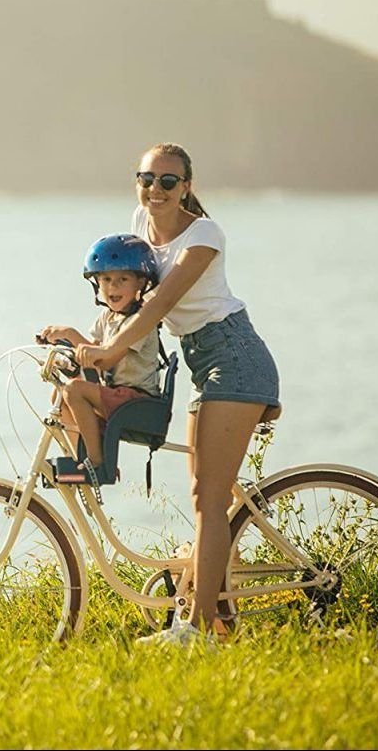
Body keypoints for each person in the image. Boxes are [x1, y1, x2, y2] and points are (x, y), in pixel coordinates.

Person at [75, 142, 281, 646]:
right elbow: (125, 296)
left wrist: (110, 352)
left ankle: (194, 630)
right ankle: (220, 617)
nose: (156, 190)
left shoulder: (203, 234)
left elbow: (159, 303)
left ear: (187, 186)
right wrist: (86, 340)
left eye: (168, 181)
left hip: (234, 358)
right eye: (147, 179)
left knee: (210, 502)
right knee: (202, 497)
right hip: (199, 363)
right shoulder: (141, 227)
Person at [39, 233, 162, 487]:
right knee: (61, 394)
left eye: (122, 280)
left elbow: (103, 360)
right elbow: (91, 352)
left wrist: (71, 334)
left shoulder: (140, 322)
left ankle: (97, 463)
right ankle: (78, 457)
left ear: (140, 283)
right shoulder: (107, 318)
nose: (113, 287)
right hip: (115, 394)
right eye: (106, 279)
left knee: (74, 390)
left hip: (136, 399)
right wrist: (62, 353)